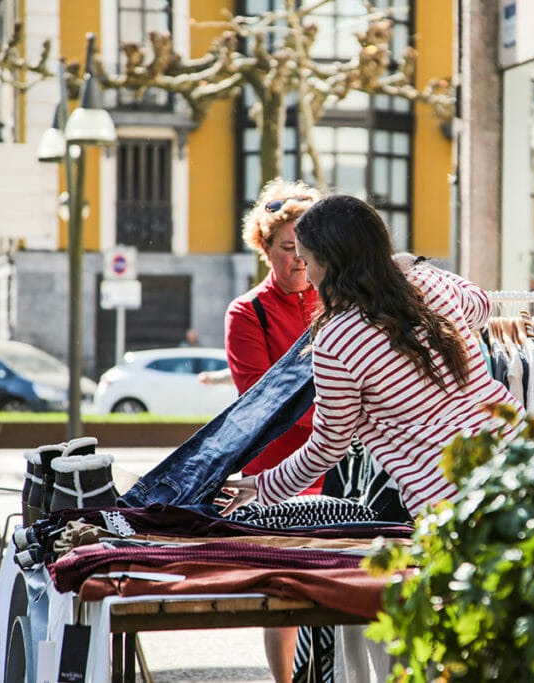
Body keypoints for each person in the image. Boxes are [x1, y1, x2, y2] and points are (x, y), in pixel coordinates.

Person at [220, 193, 523, 515]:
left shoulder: (335, 340)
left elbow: (328, 447)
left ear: (332, 261)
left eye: (308, 261)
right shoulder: (424, 282)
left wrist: (265, 487)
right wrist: (412, 264)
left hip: (454, 492)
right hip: (519, 450)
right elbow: (482, 307)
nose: (306, 275)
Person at [223, 178, 325, 682]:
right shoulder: (248, 312)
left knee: (334, 587)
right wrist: (339, 412)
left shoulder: (332, 301)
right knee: (284, 593)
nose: (300, 261)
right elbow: (261, 403)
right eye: (288, 249)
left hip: (335, 469)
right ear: (264, 247)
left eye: (306, 249)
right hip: (276, 474)